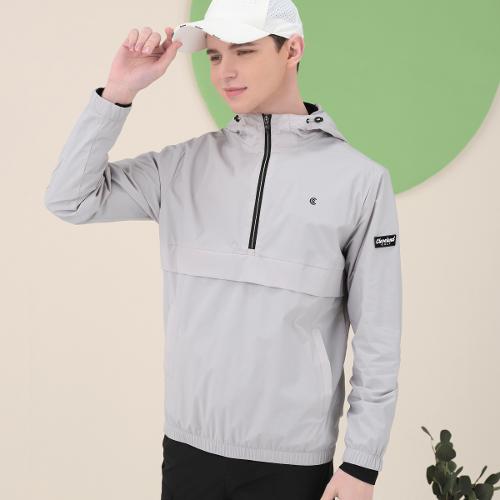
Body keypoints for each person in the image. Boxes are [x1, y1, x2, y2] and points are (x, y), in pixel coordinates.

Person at [44, 0, 402, 498]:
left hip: (294, 465)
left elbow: (379, 336)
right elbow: (70, 198)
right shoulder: (181, 167)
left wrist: (362, 465)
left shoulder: (360, 182)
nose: (224, 72)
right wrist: (118, 93)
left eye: (244, 51)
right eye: (214, 56)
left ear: (292, 50)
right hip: (188, 452)